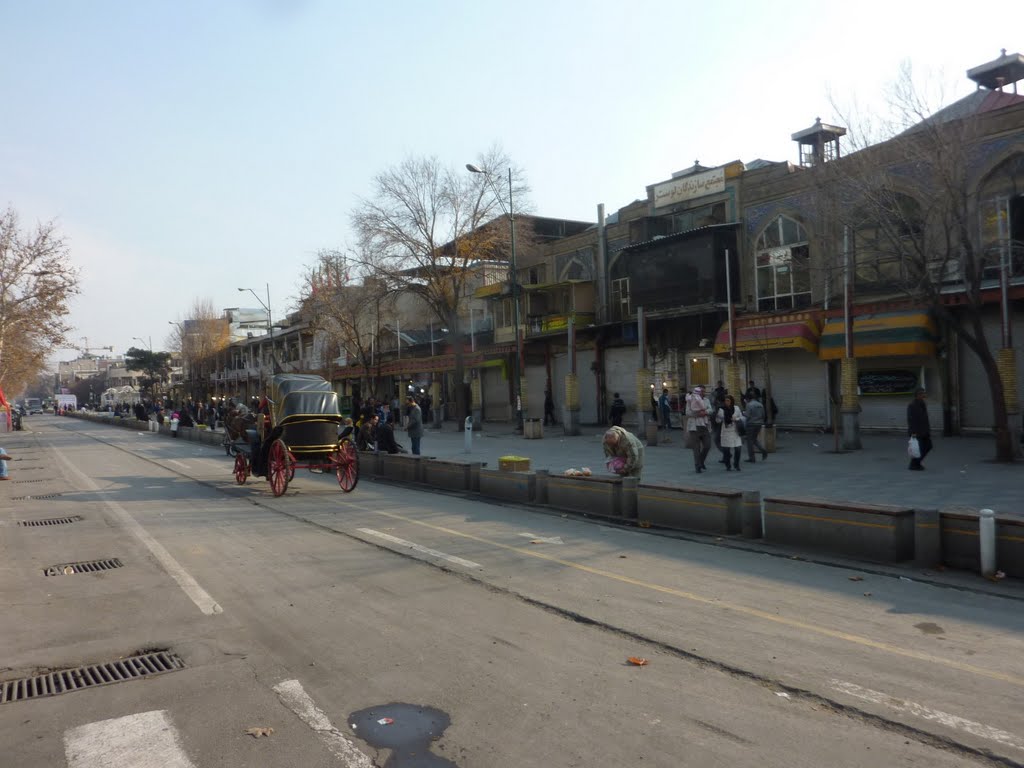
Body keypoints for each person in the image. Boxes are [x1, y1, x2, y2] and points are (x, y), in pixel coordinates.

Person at [685, 386, 713, 473]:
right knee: (696, 448)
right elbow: (688, 413)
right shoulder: (690, 400)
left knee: (707, 445)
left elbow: (711, 410)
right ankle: (698, 466)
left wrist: (705, 412)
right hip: (694, 427)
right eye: (702, 391)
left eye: (704, 391)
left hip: (704, 426)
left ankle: (701, 461)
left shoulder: (706, 400)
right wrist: (698, 414)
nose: (703, 393)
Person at [717, 394, 744, 471]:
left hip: (735, 431)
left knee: (738, 448)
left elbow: (741, 417)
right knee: (726, 450)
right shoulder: (721, 410)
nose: (727, 402)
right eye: (725, 401)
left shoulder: (736, 408)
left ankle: (736, 464)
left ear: (732, 401)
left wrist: (736, 418)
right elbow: (717, 420)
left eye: (728, 400)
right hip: (726, 432)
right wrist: (721, 418)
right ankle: (728, 465)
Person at [907, 387, 932, 471]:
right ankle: (914, 464)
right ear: (918, 395)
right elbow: (911, 420)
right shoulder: (912, 405)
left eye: (924, 393)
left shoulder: (922, 403)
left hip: (924, 430)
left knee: (928, 446)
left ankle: (916, 463)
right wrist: (913, 432)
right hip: (917, 431)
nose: (924, 395)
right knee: (919, 448)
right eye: (922, 393)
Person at [743, 392, 768, 462]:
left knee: (749, 441)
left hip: (751, 424)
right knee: (754, 439)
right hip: (759, 424)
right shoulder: (760, 404)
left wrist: (743, 414)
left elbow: (747, 416)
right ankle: (763, 450)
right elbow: (764, 415)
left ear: (747, 398)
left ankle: (752, 457)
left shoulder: (749, 405)